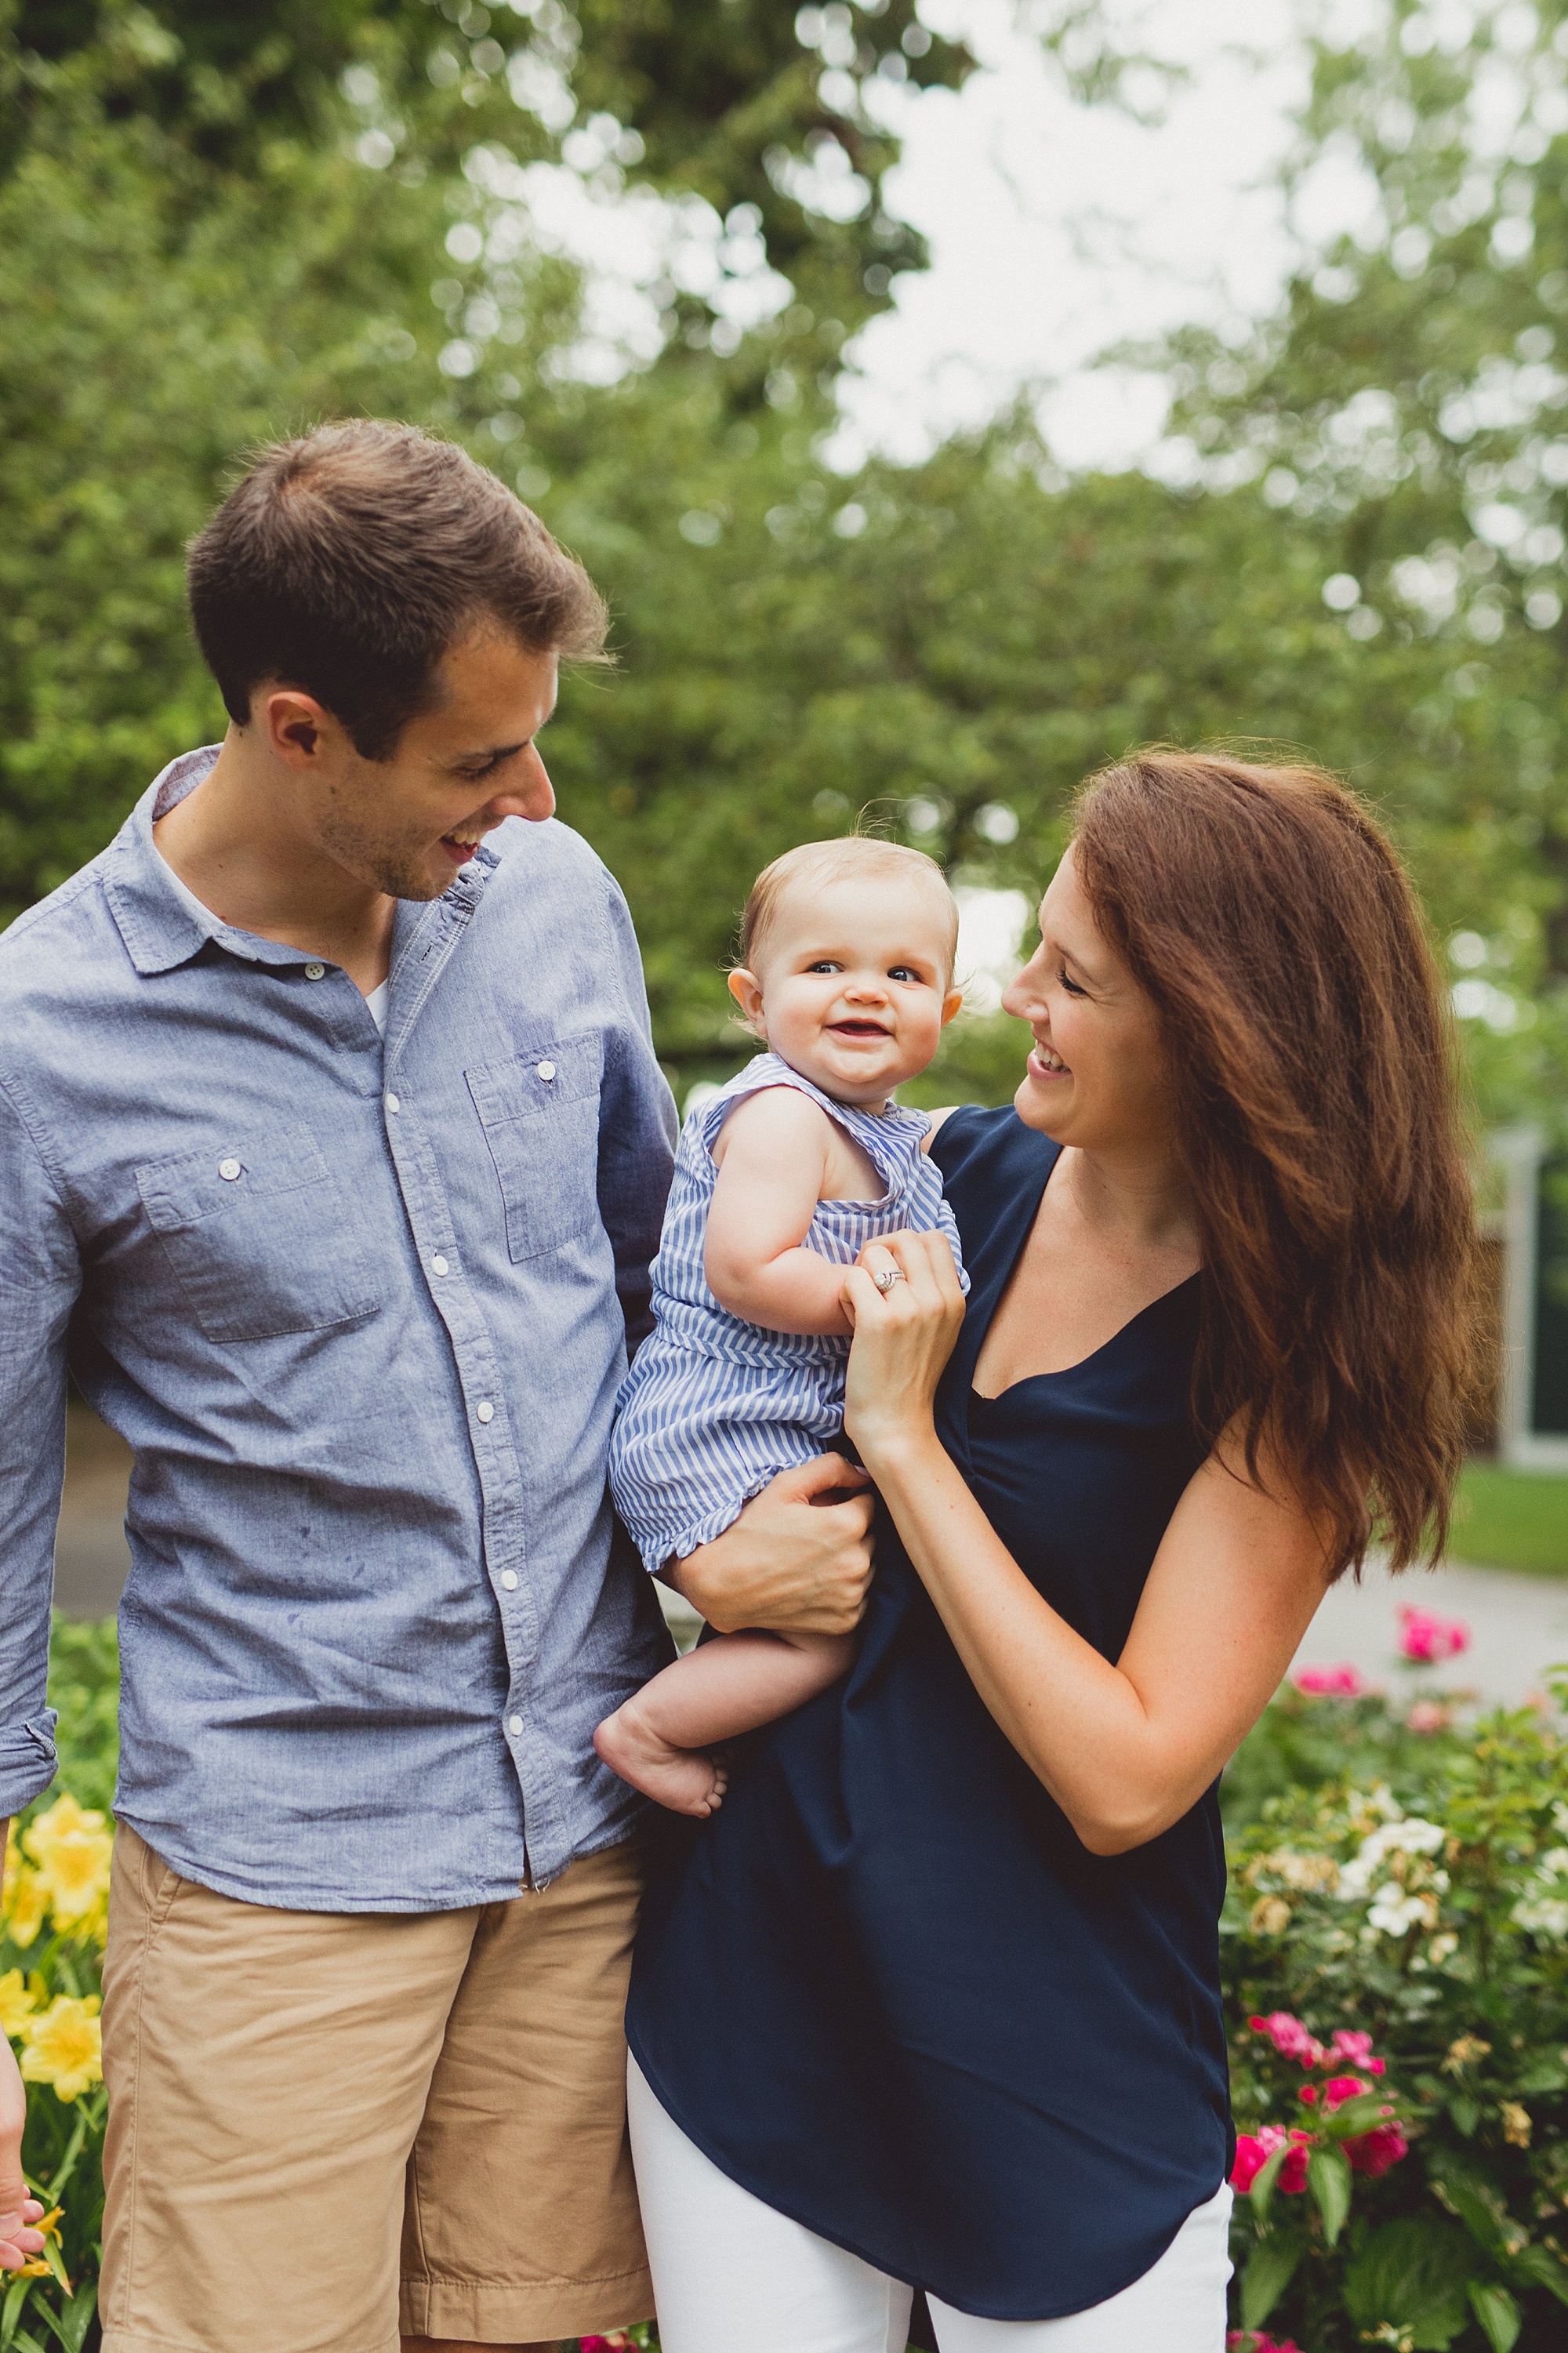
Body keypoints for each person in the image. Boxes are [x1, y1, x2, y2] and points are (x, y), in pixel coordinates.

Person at [0, 420, 878, 2353]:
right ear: (298, 727)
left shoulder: (552, 896)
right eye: (483, 757)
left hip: (583, 1832)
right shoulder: (40, 1036)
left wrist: (747, 1546)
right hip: (275, 1881)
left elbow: (676, 1292)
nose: (536, 791)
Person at [626, 751, 1475, 2351]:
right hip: (758, 2008)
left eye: (1069, 975)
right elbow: (689, 1366)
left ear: (1217, 1031)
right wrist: (702, 1565)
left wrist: (903, 1442)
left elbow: (1127, 1775)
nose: (1013, 995)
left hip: (1047, 2077)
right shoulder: (928, 1173)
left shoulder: (1280, 1371)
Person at [597, 837, 967, 1817]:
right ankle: (648, 1727)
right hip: (717, 1422)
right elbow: (748, 1268)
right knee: (823, 1634)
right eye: (824, 967)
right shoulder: (781, 1116)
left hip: (766, 1423)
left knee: (838, 1610)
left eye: (903, 973)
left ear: (948, 1011)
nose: (866, 991)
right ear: (753, 1001)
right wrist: (870, 1296)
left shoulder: (887, 1129)